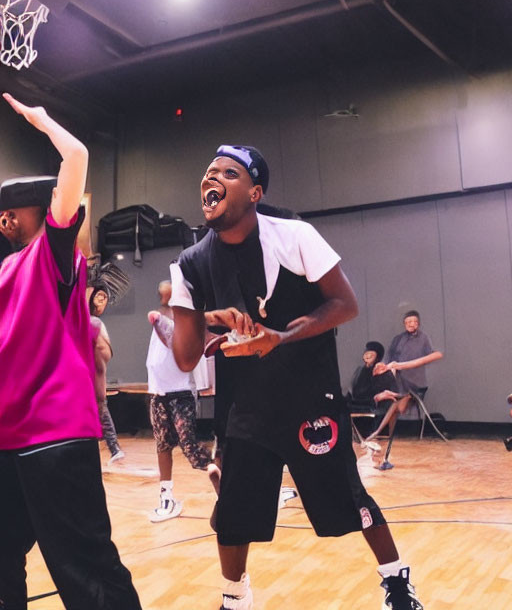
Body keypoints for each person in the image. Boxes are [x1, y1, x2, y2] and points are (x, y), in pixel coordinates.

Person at [168, 144, 423, 610]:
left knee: (350, 499)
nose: (213, 178)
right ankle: (234, 597)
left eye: (228, 172)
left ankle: (396, 580)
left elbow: (345, 305)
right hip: (245, 406)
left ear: (254, 192)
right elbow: (185, 358)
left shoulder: (295, 235)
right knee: (234, 514)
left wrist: (280, 336)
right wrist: (201, 320)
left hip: (311, 395)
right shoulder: (190, 264)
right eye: (208, 172)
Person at [0, 93, 141, 610]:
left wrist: (40, 122)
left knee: (84, 569)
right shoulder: (5, 272)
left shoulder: (53, 257)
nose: (66, 204)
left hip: (53, 436)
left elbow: (76, 157)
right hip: (6, 440)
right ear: (8, 221)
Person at [146, 280, 218, 522]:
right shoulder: (162, 315)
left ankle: (224, 491)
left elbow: (171, 339)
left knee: (189, 446)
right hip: (158, 393)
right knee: (163, 446)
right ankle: (166, 497)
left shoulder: (185, 320)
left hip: (180, 393)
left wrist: (159, 320)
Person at [372, 310, 443, 438]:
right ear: (404, 323)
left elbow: (434, 354)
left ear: (419, 323)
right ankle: (385, 433)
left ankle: (379, 431)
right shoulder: (398, 339)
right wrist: (381, 365)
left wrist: (401, 365)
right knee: (392, 403)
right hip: (398, 381)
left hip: (416, 383)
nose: (412, 324)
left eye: (415, 322)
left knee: (399, 405)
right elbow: (388, 358)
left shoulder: (424, 338)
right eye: (409, 322)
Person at [89, 280, 125, 465]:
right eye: (100, 297)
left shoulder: (93, 323)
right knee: (99, 411)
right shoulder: (92, 323)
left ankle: (114, 448)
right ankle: (114, 448)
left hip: (90, 379)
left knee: (100, 410)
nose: (102, 302)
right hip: (89, 379)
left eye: (104, 298)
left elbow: (104, 355)